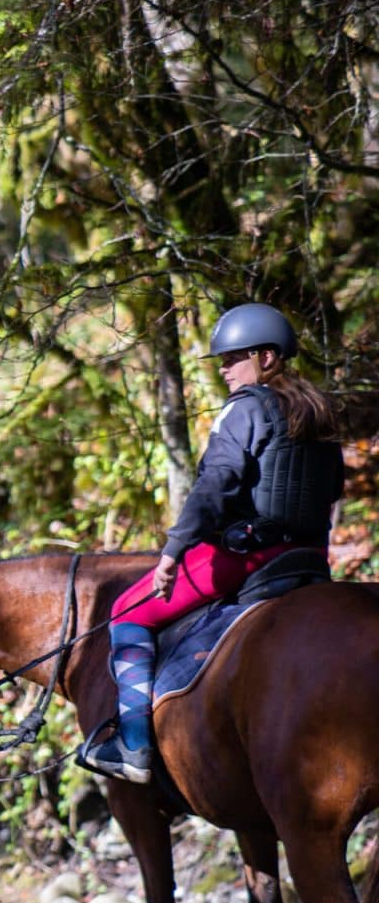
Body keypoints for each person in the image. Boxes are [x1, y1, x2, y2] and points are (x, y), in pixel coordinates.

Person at [79, 303, 343, 784]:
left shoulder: (246, 408)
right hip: (309, 556)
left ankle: (134, 746)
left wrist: (172, 551)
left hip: (249, 556)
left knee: (126, 613)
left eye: (233, 358)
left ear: (267, 358)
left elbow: (216, 484)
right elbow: (333, 491)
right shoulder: (319, 411)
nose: (224, 369)